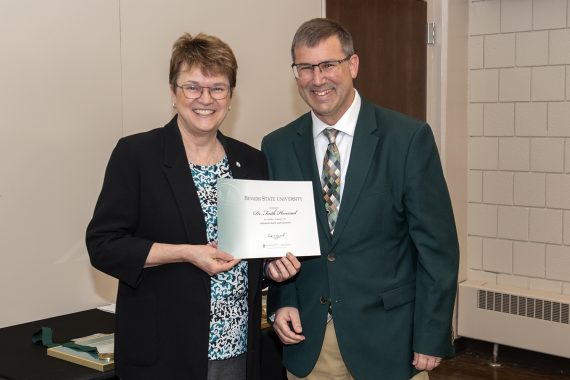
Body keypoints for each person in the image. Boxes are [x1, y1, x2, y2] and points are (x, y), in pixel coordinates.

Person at [86, 32, 300, 380]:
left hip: (238, 350)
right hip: (164, 354)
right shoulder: (137, 155)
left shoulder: (252, 162)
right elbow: (103, 246)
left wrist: (271, 271)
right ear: (173, 93)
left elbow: (253, 254)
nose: (206, 98)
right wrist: (186, 252)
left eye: (218, 88)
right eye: (192, 87)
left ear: (231, 97)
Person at [262, 18, 459, 380]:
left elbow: (438, 248)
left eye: (328, 65)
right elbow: (278, 242)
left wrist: (431, 334)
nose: (317, 78)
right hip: (311, 343)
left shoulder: (407, 139)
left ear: (352, 65)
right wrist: (283, 301)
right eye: (305, 67)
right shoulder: (277, 146)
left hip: (391, 342)